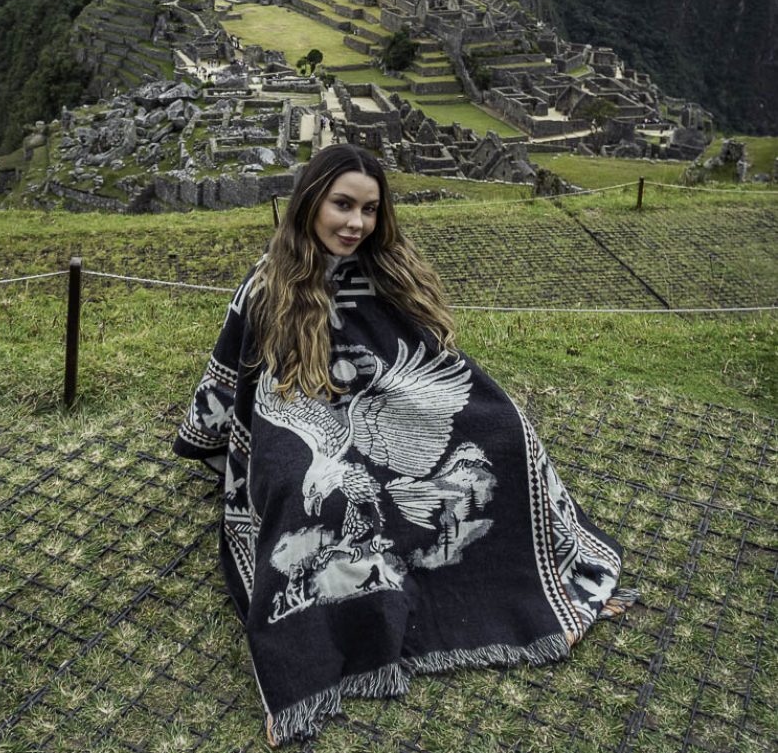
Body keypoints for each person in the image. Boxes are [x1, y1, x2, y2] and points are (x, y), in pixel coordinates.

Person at [174, 144, 636, 746]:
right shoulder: (268, 284)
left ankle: (534, 592)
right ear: (311, 202)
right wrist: (222, 441)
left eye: (368, 209)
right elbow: (235, 374)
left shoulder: (386, 268)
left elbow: (422, 355)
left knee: (505, 432)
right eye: (342, 205)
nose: (355, 224)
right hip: (293, 407)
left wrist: (463, 405)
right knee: (298, 493)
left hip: (383, 403)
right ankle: (324, 651)